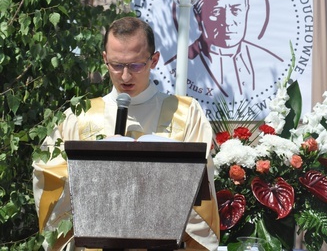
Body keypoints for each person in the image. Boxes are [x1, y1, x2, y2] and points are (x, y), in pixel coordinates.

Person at [33, 16, 220, 251]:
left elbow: (202, 179)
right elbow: (47, 171)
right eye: (116, 65)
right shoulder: (80, 116)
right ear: (104, 59)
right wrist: (90, 175)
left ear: (154, 60)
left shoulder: (186, 113)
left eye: (135, 65)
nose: (124, 76)